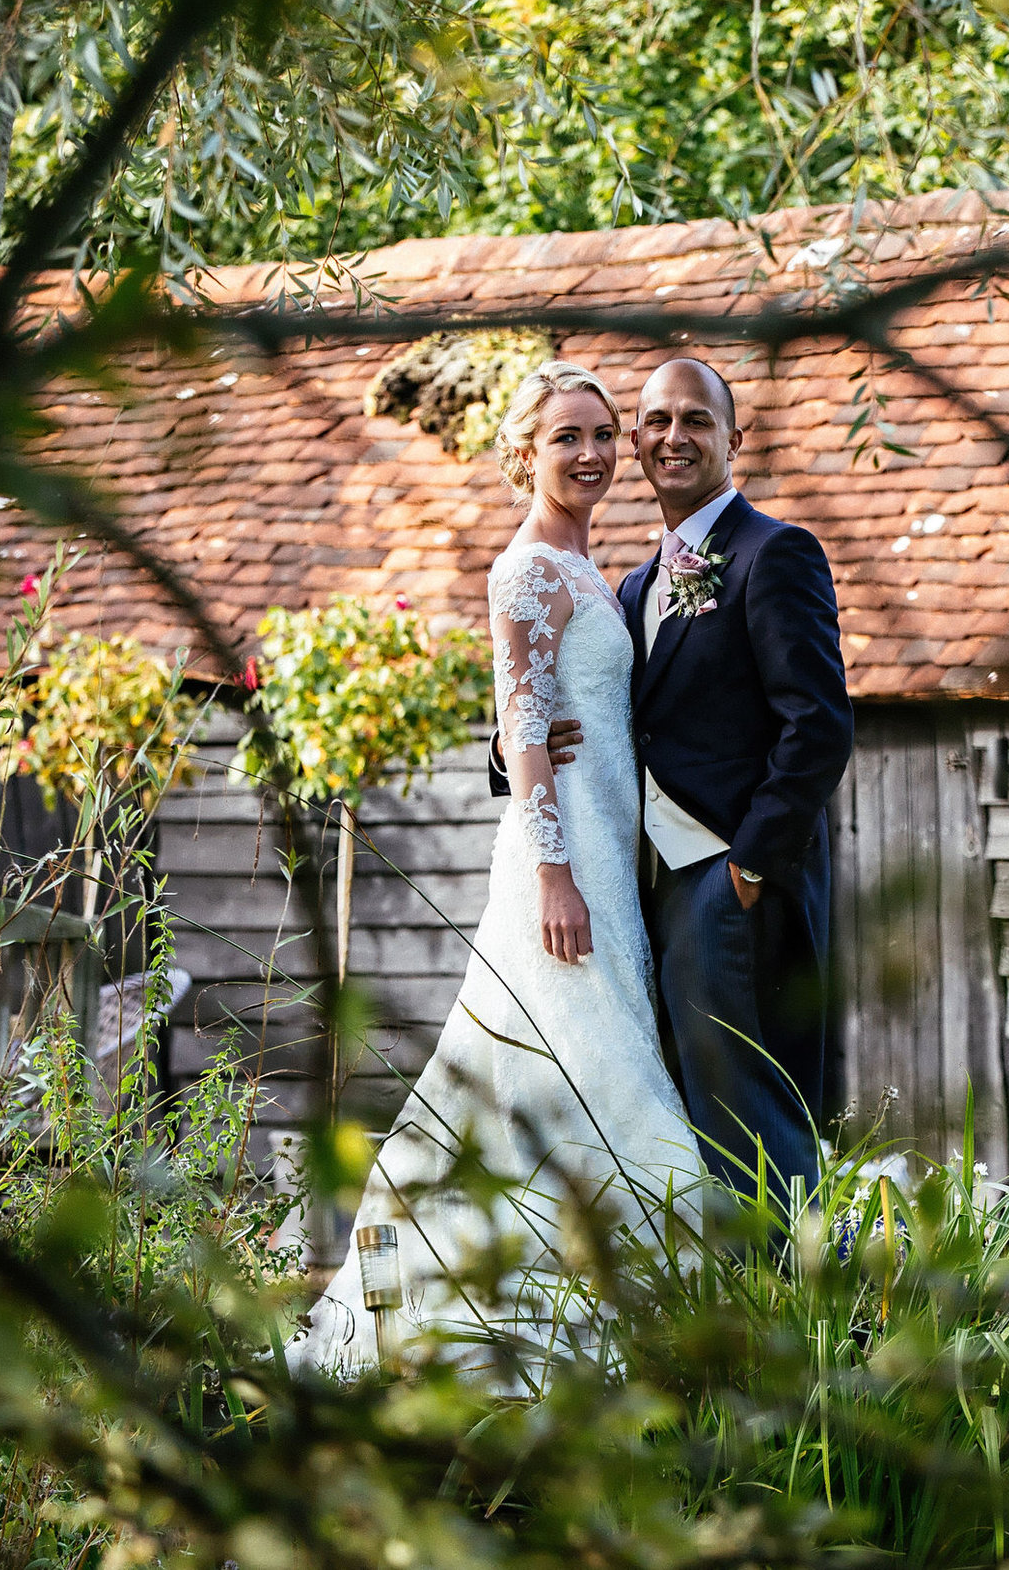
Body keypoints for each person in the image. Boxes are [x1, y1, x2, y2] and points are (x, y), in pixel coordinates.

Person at [288, 362, 703, 1378]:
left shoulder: (593, 570)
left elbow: (573, 710)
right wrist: (555, 875)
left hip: (610, 852)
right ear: (525, 452)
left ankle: (550, 1292)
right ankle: (595, 1313)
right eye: (568, 436)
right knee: (590, 1069)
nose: (595, 452)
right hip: (559, 868)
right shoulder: (525, 570)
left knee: (532, 1073)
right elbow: (521, 725)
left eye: (605, 433)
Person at [497, 358, 854, 1216]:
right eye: (654, 421)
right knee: (681, 1113)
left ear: (736, 438)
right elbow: (555, 702)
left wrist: (750, 869)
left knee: (750, 1113)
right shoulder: (631, 584)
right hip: (640, 891)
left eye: (696, 420)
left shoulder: (777, 554)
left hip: (725, 881)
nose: (672, 437)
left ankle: (795, 1314)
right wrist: (517, 749)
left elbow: (820, 725)